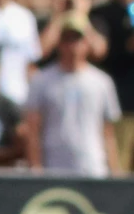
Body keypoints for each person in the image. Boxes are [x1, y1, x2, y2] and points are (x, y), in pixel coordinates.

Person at [24, 17, 124, 173]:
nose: (72, 45)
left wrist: (115, 171)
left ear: (86, 42)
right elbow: (33, 129)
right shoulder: (41, 81)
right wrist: (36, 167)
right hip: (54, 168)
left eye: (77, 38)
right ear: (59, 43)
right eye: (67, 39)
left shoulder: (102, 82)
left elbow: (108, 133)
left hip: (92, 166)